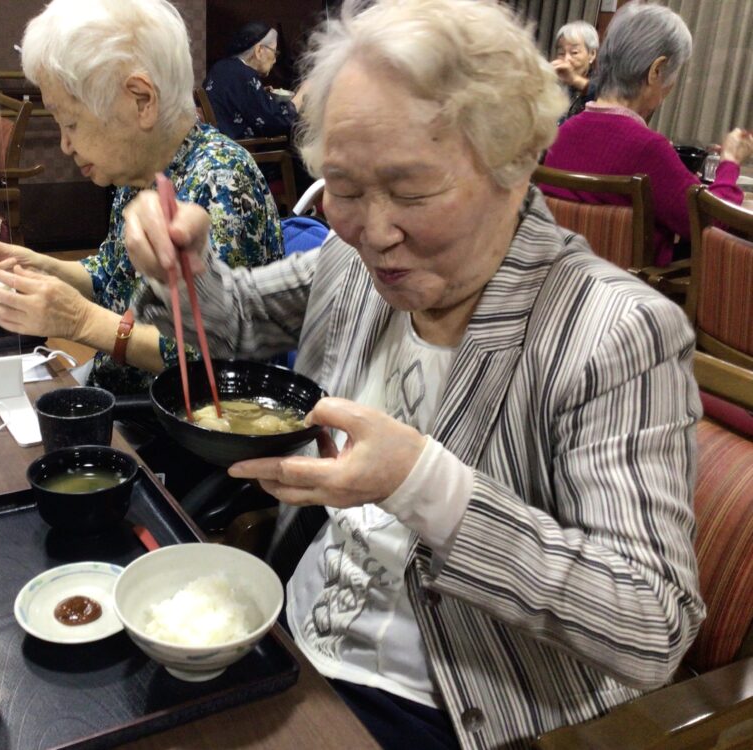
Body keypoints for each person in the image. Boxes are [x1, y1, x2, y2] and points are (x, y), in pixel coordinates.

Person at [121, 1, 705, 748]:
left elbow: (652, 624)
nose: (374, 228)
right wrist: (180, 265)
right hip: (288, 639)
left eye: (412, 190)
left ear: (514, 163)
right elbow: (234, 321)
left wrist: (426, 485)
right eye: (346, 187)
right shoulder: (354, 259)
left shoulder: (614, 332)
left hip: (454, 705)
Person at [0, 0, 284, 395]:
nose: (64, 144)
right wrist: (37, 266)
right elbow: (111, 276)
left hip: (177, 429)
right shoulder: (142, 173)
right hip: (123, 399)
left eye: (72, 123)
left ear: (141, 100)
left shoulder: (221, 180)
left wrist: (80, 321)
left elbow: (214, 355)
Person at [543, 3, 753, 266]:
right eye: (675, 74)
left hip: (561, 281)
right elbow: (714, 224)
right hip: (633, 294)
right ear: (656, 70)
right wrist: (730, 163)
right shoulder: (647, 148)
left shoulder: (562, 135)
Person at [203, 22, 301, 141]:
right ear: (259, 50)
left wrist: (261, 93)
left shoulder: (221, 67)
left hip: (215, 143)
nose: (275, 59)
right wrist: (298, 99)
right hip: (238, 150)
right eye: (274, 52)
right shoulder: (245, 76)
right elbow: (274, 123)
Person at [551, 20, 598, 123]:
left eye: (574, 52)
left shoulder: (602, 83)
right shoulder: (555, 82)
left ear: (592, 54)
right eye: (561, 53)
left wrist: (574, 79)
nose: (566, 59)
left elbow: (602, 95)